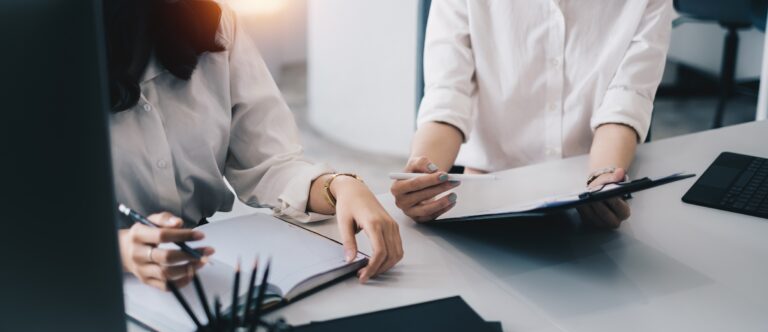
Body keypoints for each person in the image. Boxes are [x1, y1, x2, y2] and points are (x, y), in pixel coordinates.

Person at [104, 0, 403, 290]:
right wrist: (119, 251)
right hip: (99, 285)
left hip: (203, 271)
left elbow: (270, 164)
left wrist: (338, 186)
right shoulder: (62, 44)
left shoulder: (215, 23)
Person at [391, 0, 672, 227]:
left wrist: (602, 181)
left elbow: (627, 99)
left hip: (587, 194)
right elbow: (448, 96)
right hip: (485, 197)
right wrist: (421, 182)